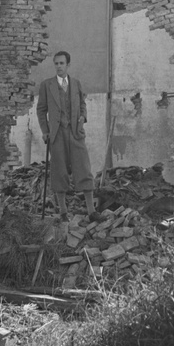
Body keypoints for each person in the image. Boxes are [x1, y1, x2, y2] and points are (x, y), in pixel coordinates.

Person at [36, 50, 102, 223]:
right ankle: (63, 212)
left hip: (75, 133)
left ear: (68, 65)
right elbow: (41, 110)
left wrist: (83, 118)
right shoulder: (46, 85)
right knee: (60, 171)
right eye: (56, 63)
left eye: (61, 63)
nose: (58, 66)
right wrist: (45, 131)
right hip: (56, 135)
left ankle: (91, 211)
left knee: (84, 168)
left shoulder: (76, 84)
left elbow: (82, 104)